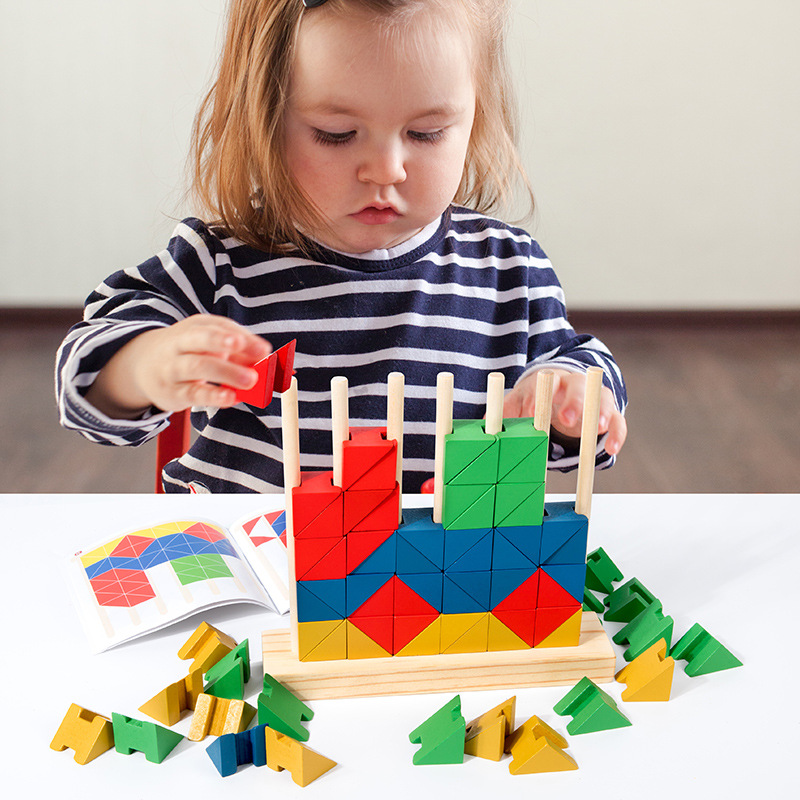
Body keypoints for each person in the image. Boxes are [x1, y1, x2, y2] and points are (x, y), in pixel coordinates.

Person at [56, 0, 627, 493]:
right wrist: (144, 366)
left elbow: (575, 427)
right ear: (266, 118)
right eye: (336, 133)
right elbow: (85, 380)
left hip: (444, 588)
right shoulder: (218, 262)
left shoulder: (511, 270)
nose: (387, 168)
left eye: (427, 133)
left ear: (474, 120)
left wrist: (570, 402)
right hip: (270, 585)